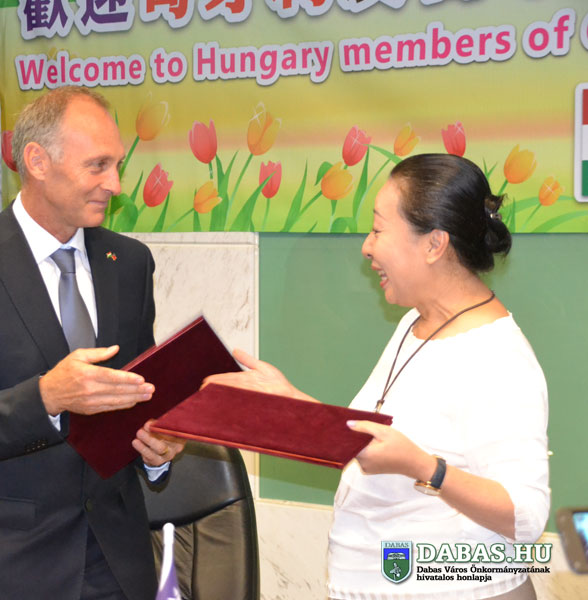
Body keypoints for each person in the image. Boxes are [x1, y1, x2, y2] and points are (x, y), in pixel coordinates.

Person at [207, 154, 549, 600]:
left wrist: (425, 468)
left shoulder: (497, 354)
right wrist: (289, 402)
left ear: (434, 244)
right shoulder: (415, 323)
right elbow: (373, 442)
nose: (366, 247)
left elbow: (525, 517)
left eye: (378, 229)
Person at [0, 86, 185, 599]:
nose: (116, 184)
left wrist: (158, 450)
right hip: (5, 567)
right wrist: (47, 397)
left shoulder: (129, 263)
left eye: (117, 165)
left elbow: (136, 399)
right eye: (97, 166)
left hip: (114, 564)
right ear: (37, 161)